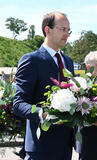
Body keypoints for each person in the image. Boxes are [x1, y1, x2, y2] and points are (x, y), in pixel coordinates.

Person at [13, 11, 74, 160]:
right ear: (48, 30)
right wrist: (42, 113)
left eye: (68, 30)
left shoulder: (68, 61)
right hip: (41, 147)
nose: (66, 34)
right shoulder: (31, 60)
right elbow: (19, 104)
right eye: (62, 29)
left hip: (66, 145)